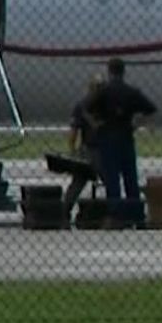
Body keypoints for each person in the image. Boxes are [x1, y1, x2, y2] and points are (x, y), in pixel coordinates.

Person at [86, 57, 156, 228]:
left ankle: (116, 216)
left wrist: (96, 124)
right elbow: (150, 110)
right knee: (130, 178)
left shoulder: (104, 91)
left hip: (108, 137)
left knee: (112, 179)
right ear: (124, 71)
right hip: (126, 136)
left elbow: (87, 108)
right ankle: (137, 217)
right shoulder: (132, 92)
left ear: (109, 71)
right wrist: (136, 124)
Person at [59, 79, 103, 226]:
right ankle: (114, 212)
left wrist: (72, 150)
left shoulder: (82, 105)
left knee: (78, 181)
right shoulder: (109, 105)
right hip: (106, 149)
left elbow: (74, 131)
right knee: (110, 182)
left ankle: (64, 211)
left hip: (88, 148)